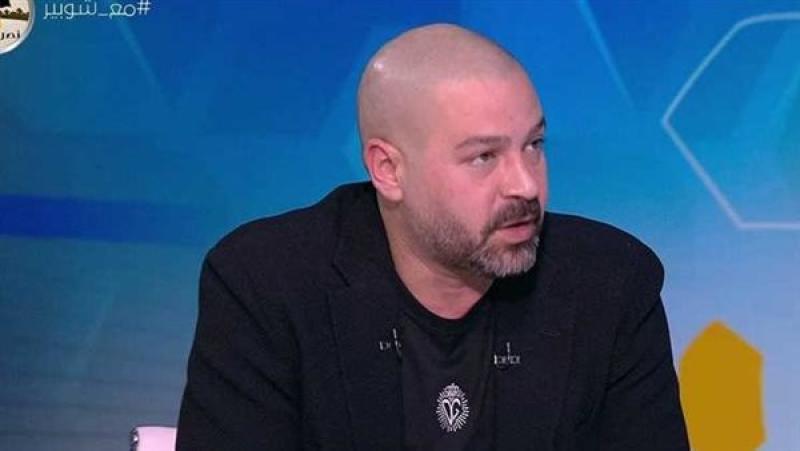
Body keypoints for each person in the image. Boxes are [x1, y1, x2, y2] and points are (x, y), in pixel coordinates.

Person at [176, 23, 689, 450]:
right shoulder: (266, 284)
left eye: (533, 145)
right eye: (484, 156)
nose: (526, 185)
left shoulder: (612, 284)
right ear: (388, 170)